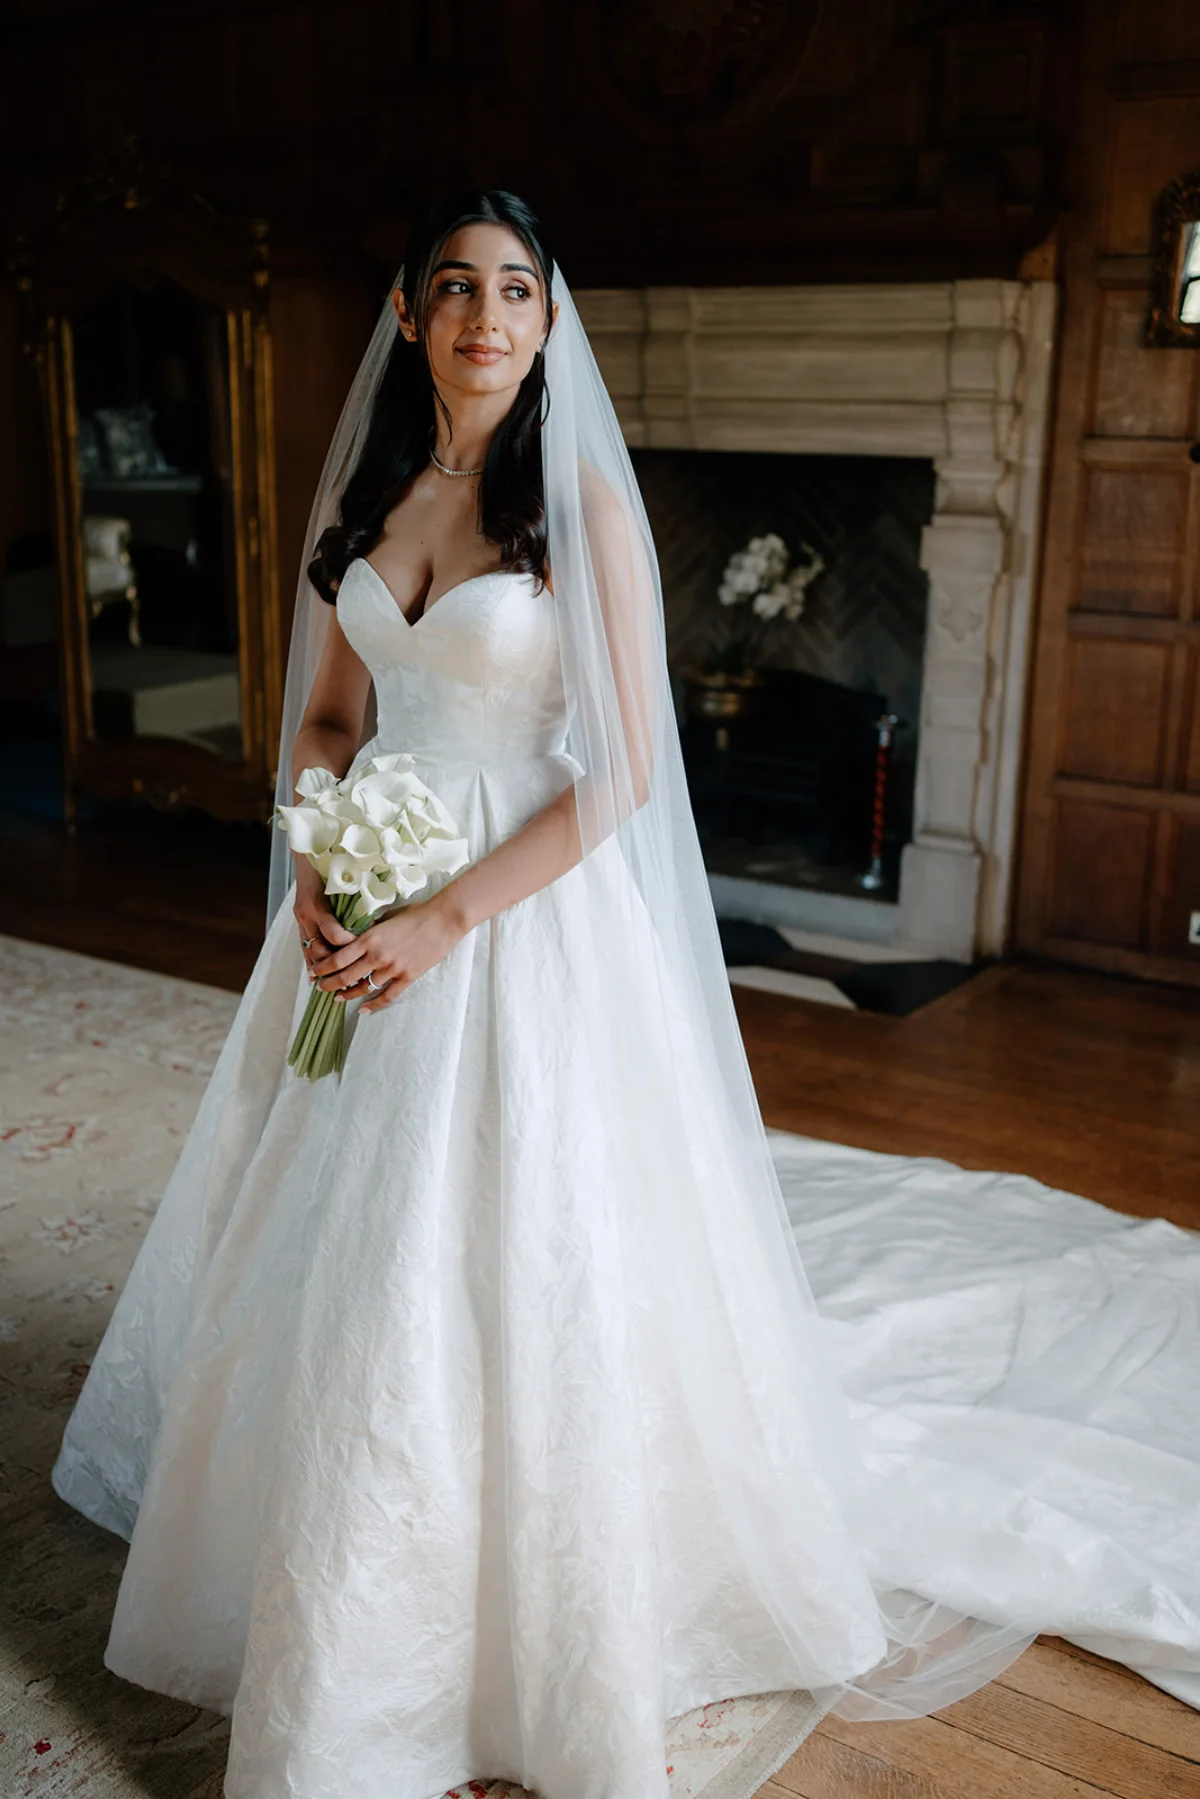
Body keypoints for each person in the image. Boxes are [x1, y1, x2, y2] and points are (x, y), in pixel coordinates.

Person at [51, 190, 1200, 1799]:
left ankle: (517, 1626)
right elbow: (321, 719)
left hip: (520, 921)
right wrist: (324, 866)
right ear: (406, 316)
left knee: (527, 1248)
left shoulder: (578, 510)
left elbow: (627, 778)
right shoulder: (370, 507)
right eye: (454, 287)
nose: (486, 317)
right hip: (364, 903)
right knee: (349, 1243)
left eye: (517, 290)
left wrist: (447, 913)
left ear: (546, 320)